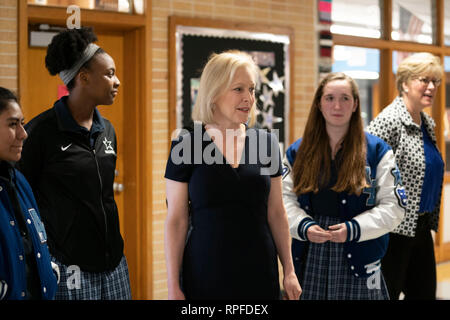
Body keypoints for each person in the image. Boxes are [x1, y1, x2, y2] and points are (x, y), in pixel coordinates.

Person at [164, 50, 302, 300]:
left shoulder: (266, 142)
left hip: (260, 270)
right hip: (205, 272)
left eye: (251, 89)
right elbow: (176, 220)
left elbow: (277, 212)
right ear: (214, 93)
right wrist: (173, 285)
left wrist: (289, 270)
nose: (248, 98)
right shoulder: (187, 143)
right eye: (238, 89)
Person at [16, 27, 131, 300]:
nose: (118, 82)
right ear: (84, 77)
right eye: (110, 74)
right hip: (69, 270)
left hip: (114, 266)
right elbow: (22, 200)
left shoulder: (108, 130)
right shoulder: (40, 133)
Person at [282, 72, 406, 300]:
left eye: (345, 98)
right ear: (319, 103)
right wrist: (303, 226)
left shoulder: (378, 151)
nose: (337, 105)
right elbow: (283, 201)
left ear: (355, 104)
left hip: (362, 255)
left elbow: (394, 207)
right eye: (329, 98)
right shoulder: (297, 152)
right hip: (311, 255)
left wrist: (355, 229)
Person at [368, 52, 444, 300]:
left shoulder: (427, 123)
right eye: (424, 80)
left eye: (436, 81)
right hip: (392, 233)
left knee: (424, 294)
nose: (431, 87)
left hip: (419, 228)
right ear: (404, 83)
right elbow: (364, 171)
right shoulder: (388, 121)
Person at [0, 87, 59, 300]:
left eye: (22, 124)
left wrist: (50, 273)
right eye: (13, 124)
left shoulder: (19, 181)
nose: (23, 134)